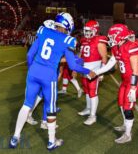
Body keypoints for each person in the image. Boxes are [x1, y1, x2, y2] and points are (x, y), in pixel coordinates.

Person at [9, 12, 95, 151]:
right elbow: (73, 66)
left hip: (34, 72)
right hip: (49, 76)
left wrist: (33, 69)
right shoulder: (67, 40)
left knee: (26, 105)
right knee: (51, 108)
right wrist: (87, 71)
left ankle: (15, 137)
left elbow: (30, 54)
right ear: (69, 26)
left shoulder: (43, 31)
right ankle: (51, 141)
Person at [93, 24, 138, 144]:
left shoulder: (131, 46)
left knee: (127, 107)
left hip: (133, 82)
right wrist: (97, 72)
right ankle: (125, 125)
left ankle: (128, 134)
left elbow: (136, 70)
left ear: (120, 36)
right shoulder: (116, 47)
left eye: (112, 36)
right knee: (121, 103)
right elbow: (111, 63)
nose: (110, 38)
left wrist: (133, 88)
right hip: (125, 81)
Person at [78, 20, 108, 125]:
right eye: (85, 30)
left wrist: (101, 72)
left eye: (89, 30)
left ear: (95, 30)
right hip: (84, 70)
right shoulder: (83, 40)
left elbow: (104, 57)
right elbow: (81, 55)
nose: (86, 32)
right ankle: (88, 108)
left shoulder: (99, 40)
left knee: (92, 93)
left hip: (94, 71)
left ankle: (93, 116)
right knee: (87, 91)